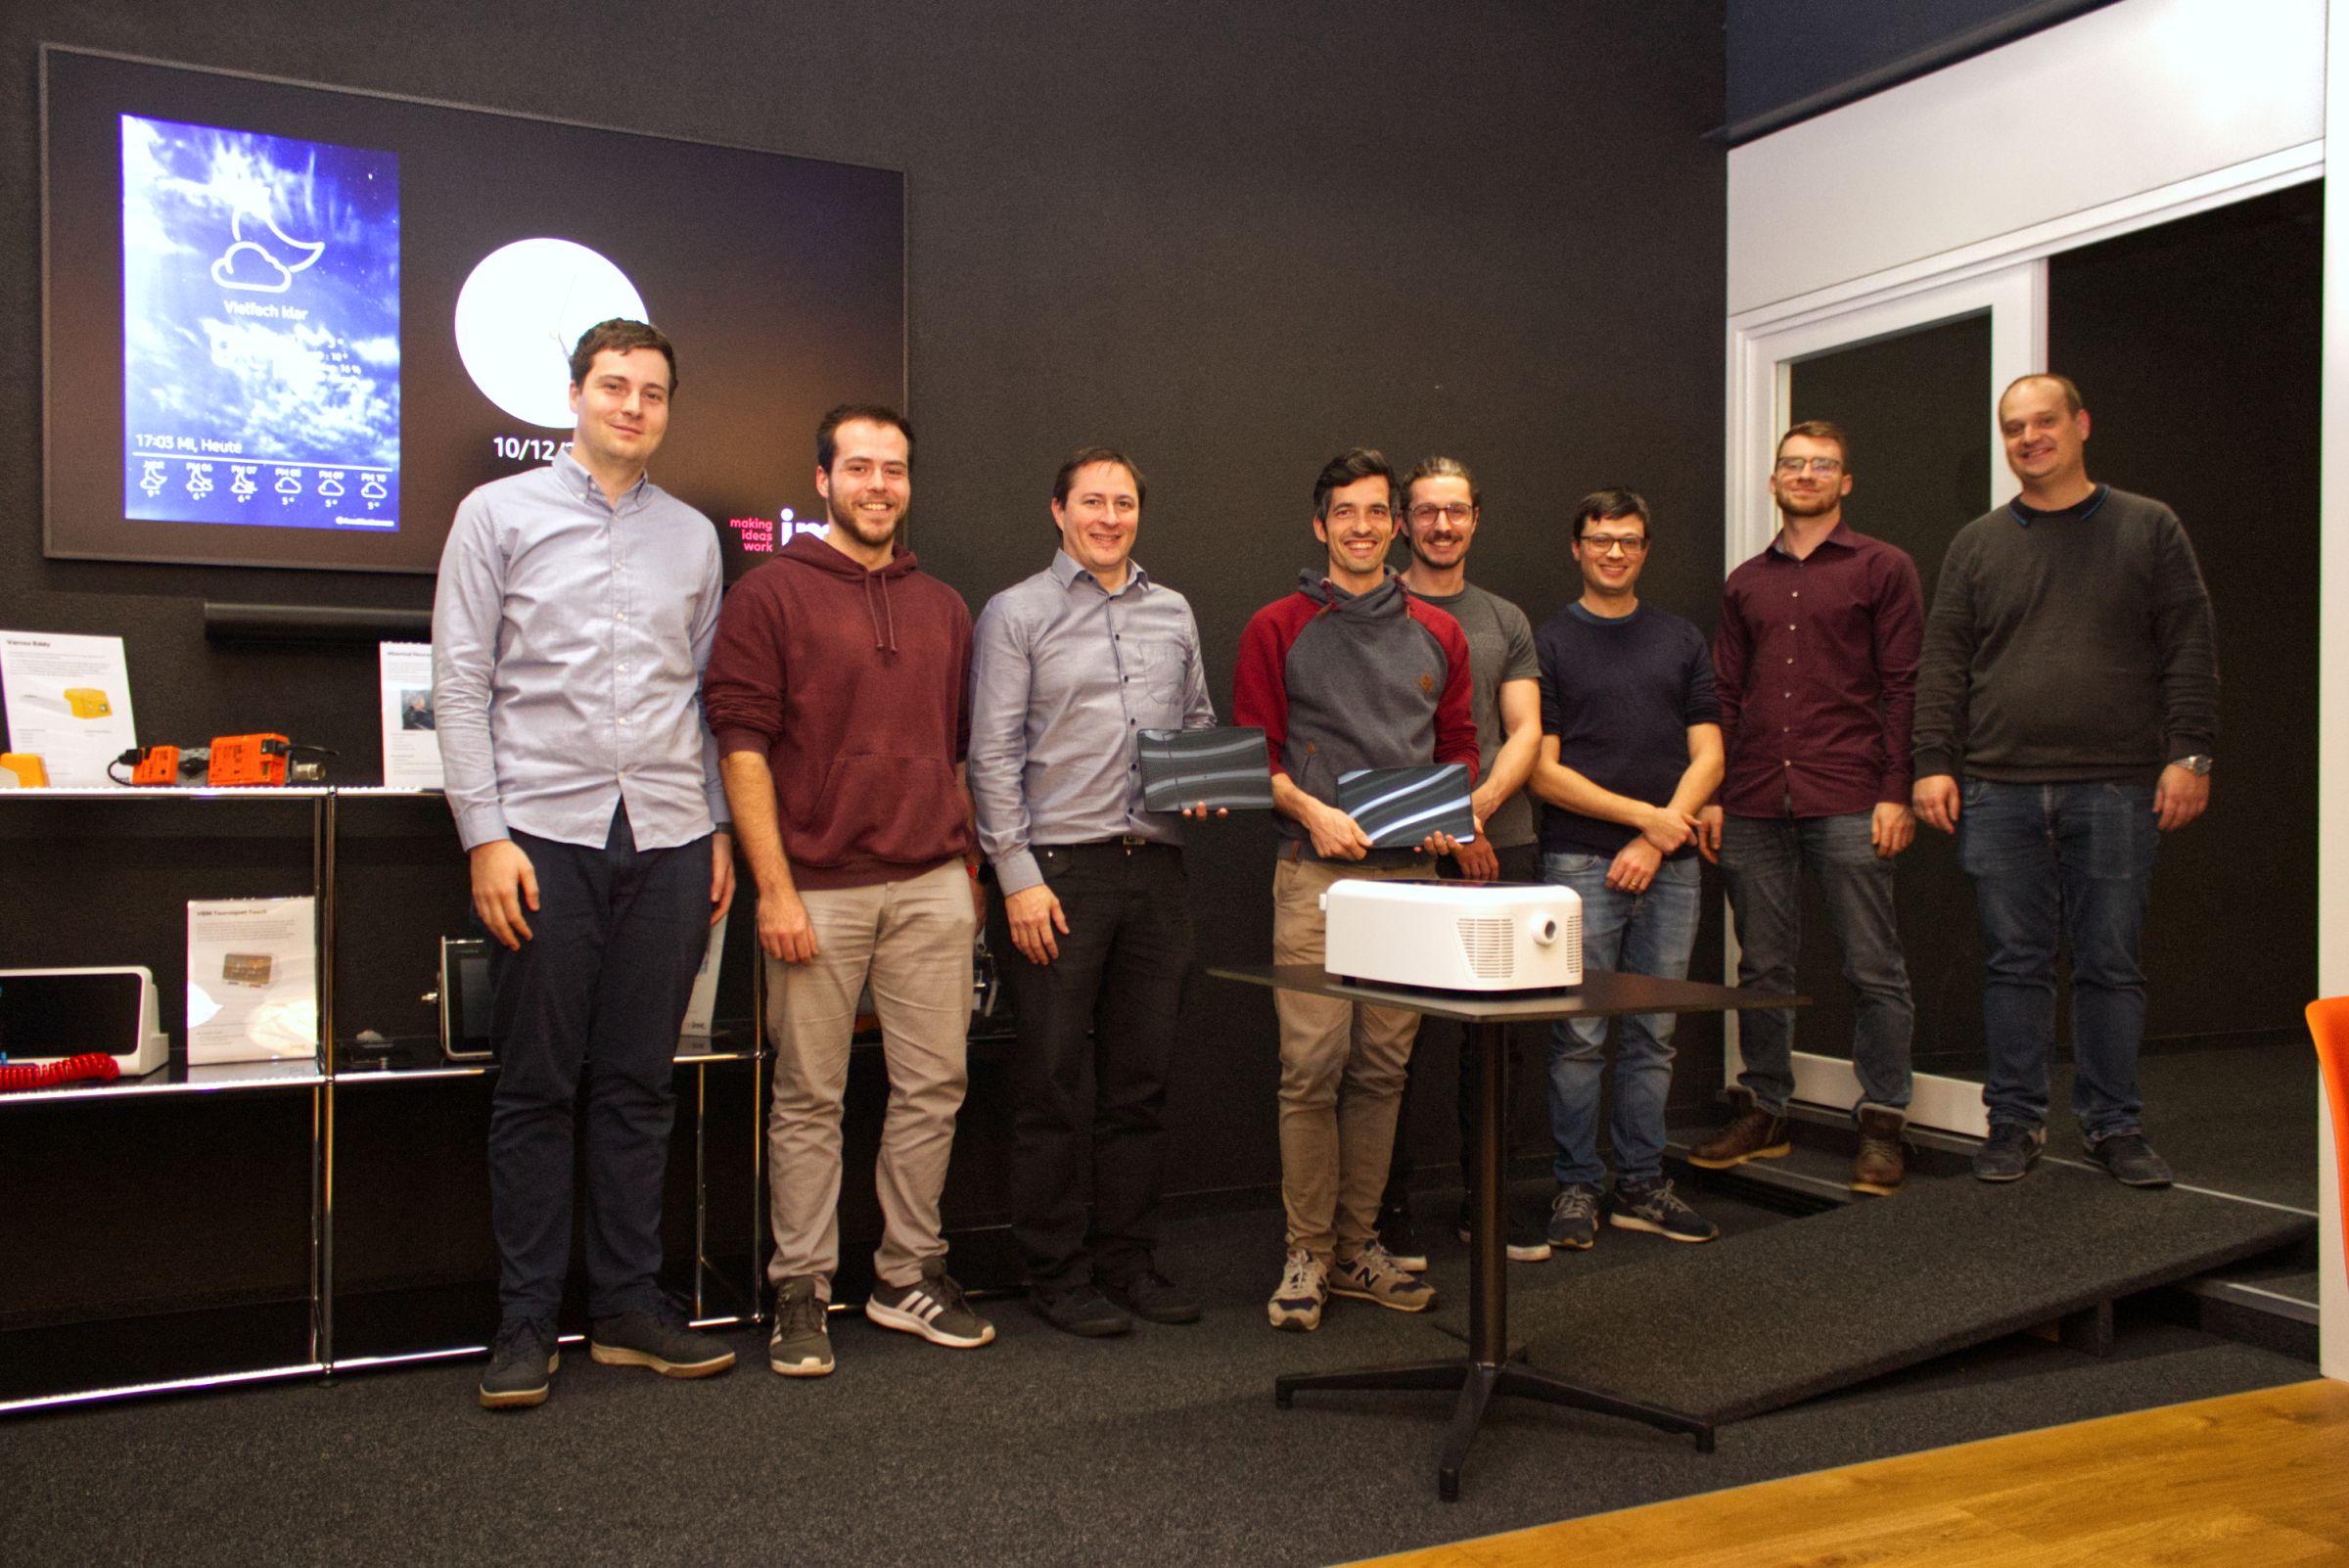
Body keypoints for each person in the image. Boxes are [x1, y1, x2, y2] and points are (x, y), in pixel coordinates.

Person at [433, 318, 739, 1409]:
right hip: (541, 839)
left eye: (651, 393)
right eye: (614, 387)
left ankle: (625, 1309)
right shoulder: (496, 515)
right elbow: (459, 684)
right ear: (574, 396)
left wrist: (716, 827)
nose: (632, 407)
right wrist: (485, 836)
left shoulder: (694, 538)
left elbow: (703, 698)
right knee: (535, 1089)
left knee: (640, 1087)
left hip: (667, 839)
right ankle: (525, 1323)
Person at [704, 403, 993, 1377]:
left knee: (934, 1088)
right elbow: (741, 748)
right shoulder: (768, 595)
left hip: (931, 883)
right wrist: (774, 889)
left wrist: (967, 871)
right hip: (816, 889)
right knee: (807, 1098)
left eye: (894, 469)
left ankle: (907, 1273)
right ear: (823, 479)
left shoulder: (944, 606)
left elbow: (956, 753)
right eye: (859, 468)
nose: (879, 485)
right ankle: (801, 1287)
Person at [1912, 374, 2218, 1188]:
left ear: (2082, 424)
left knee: (2109, 964)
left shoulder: (2148, 526)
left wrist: (2191, 754)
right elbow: (1943, 661)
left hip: (2117, 787)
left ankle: (2114, 1125)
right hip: (1997, 788)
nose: (2029, 438)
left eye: (2045, 421)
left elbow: (2189, 645)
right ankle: (2014, 1122)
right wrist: (1932, 761)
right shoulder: (1977, 543)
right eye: (2014, 427)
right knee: (2013, 965)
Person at [968, 447, 1221, 1337]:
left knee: (1140, 1085)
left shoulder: (1174, 610)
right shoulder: (1016, 612)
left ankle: (1127, 1261)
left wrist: (1206, 776)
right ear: (1059, 510)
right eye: (1092, 502)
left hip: (1155, 872)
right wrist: (1016, 878)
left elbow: (1197, 722)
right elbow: (991, 754)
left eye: (1123, 503)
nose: (1109, 518)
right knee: (1050, 1085)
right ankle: (1056, 1272)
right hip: (1058, 875)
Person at [1232, 447, 1479, 1331]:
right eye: (1347, 512)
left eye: (1378, 512)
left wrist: (1453, 818)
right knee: (1311, 1071)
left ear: (1398, 525)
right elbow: (1256, 753)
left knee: (1381, 1073)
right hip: (1316, 877)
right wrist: (1310, 811)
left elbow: (1459, 746)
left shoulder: (1439, 632)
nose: (1364, 527)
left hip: (1410, 881)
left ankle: (1356, 1247)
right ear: (1320, 525)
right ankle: (1306, 1251)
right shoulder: (1276, 627)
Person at [1691, 421, 1924, 1195]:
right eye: (1793, 464)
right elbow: (1726, 693)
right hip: (1754, 794)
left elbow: (1905, 687)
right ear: (1773, 480)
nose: (1806, 474)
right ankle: (1766, 1109)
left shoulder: (1883, 568)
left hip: (1851, 791)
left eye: (1823, 464)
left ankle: (1882, 1122)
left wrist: (1896, 790)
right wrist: (1714, 793)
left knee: (1872, 965)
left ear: (1845, 481)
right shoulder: (1745, 583)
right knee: (1762, 965)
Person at [1529, 487, 1725, 1249]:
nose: (1615, 552)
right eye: (1601, 539)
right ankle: (1577, 1187)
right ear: (1575, 547)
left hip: (1670, 867)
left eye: (1630, 540)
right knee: (1579, 1036)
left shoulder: (1680, 639)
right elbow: (1544, 773)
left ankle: (1641, 1185)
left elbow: (1709, 755)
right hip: (1579, 861)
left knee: (1655, 1034)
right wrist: (1647, 820)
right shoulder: (1548, 643)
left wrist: (1657, 837)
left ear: (1646, 550)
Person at [1374, 456, 1550, 1268]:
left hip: (1500, 846)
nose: (1441, 526)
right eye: (1426, 511)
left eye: (1456, 511)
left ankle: (1489, 1205)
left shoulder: (1503, 619)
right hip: (1402, 850)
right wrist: (1440, 822)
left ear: (1476, 518)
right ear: (1402, 522)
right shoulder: (1375, 608)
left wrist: (1472, 812)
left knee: (1496, 1048)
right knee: (1392, 1045)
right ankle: (1389, 1213)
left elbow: (1525, 730)